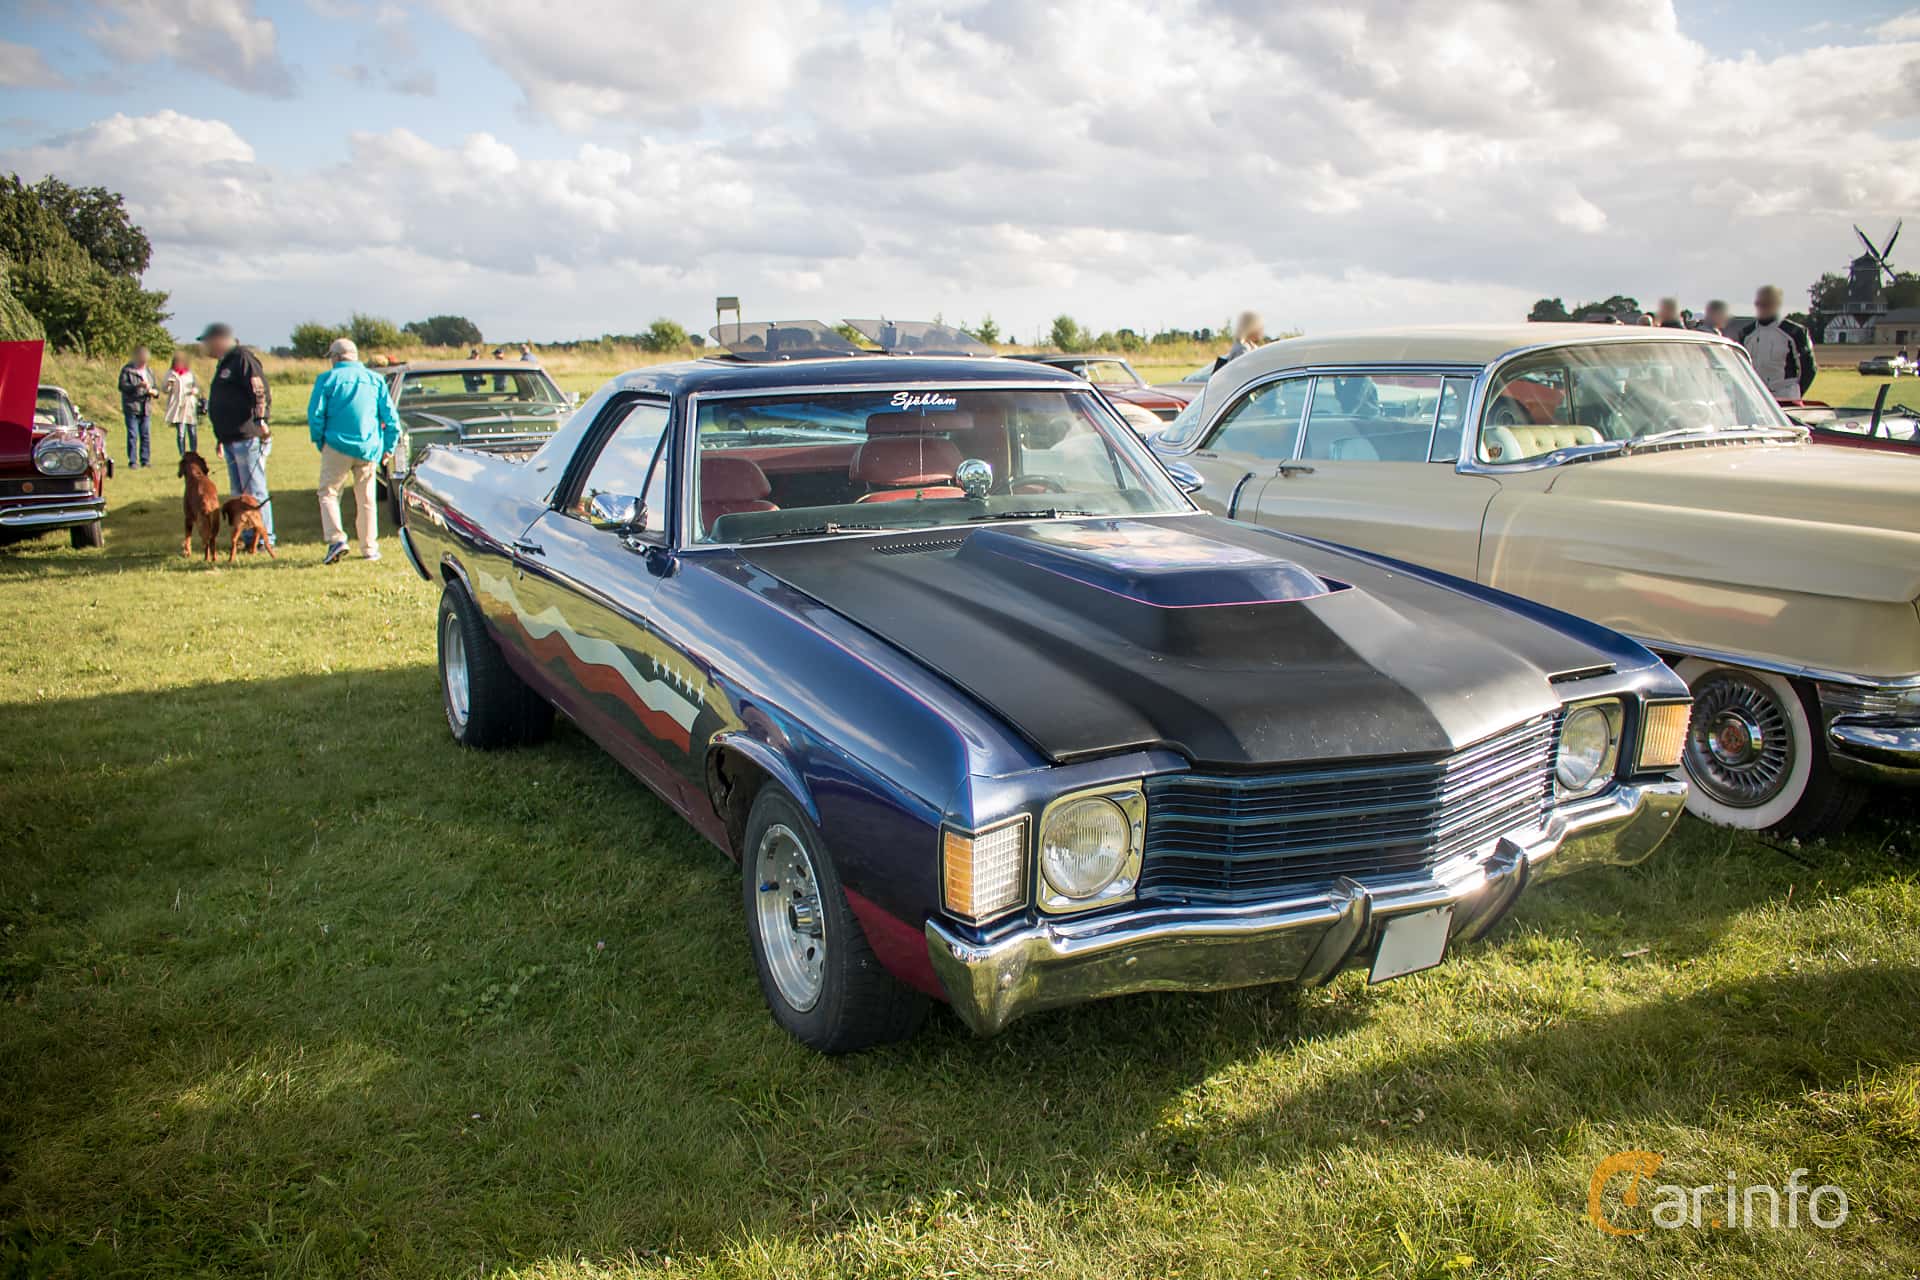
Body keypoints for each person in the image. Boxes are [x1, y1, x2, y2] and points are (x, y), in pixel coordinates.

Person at [307, 337, 399, 564]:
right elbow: (391, 417)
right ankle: (370, 548)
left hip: (336, 443)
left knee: (328, 492)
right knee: (366, 498)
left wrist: (320, 441)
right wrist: (388, 447)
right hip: (368, 446)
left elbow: (315, 415)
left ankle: (336, 539)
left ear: (336, 358)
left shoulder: (327, 379)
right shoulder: (375, 380)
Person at [200, 322, 275, 549]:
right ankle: (247, 537)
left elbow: (258, 390)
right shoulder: (225, 362)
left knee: (254, 490)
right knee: (238, 493)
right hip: (230, 437)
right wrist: (220, 437)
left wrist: (261, 420)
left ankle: (265, 538)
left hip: (246, 435)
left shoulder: (242, 357)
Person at [1739, 285, 1816, 401]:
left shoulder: (1794, 332)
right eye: (1760, 303)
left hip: (1785, 397)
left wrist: (1797, 393)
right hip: (1756, 397)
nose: (1762, 307)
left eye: (1767, 303)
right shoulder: (1746, 333)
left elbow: (1809, 369)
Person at [117, 346, 158, 468]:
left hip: (145, 407)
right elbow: (122, 386)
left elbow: (155, 387)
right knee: (133, 435)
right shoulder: (127, 370)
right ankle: (133, 461)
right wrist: (137, 386)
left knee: (145, 435)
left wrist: (155, 392)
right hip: (132, 407)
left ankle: (145, 460)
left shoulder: (149, 371)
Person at [162, 353, 198, 456]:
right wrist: (169, 385)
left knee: (192, 431)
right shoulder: (170, 373)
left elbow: (196, 387)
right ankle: (182, 454)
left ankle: (193, 452)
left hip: (189, 404)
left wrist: (194, 391)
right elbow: (164, 389)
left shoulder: (190, 373)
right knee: (181, 433)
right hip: (178, 405)